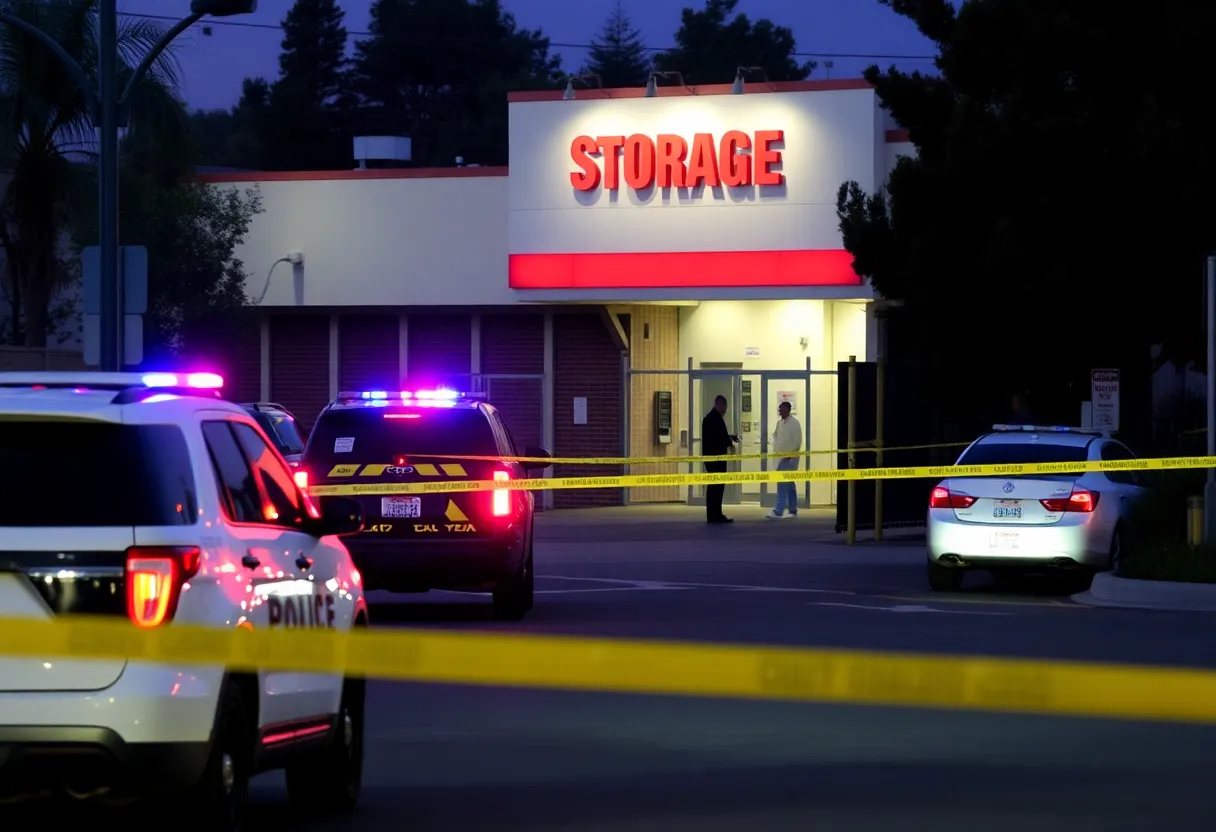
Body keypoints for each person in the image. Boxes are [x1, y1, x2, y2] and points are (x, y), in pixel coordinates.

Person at [701, 394, 738, 524]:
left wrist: (730, 438)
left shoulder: (709, 419)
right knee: (716, 488)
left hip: (712, 459)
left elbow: (718, 435)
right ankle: (715, 514)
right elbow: (718, 438)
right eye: (725, 407)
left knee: (714, 487)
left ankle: (714, 514)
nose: (725, 410)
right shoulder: (714, 419)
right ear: (720, 405)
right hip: (716, 460)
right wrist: (730, 441)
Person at [767, 400, 802, 519]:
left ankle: (778, 510)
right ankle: (793, 510)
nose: (779, 411)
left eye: (781, 409)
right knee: (790, 485)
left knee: (782, 485)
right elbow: (776, 436)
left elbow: (797, 442)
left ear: (787, 410)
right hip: (780, 458)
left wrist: (789, 454)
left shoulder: (794, 423)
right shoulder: (779, 423)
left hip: (789, 459)